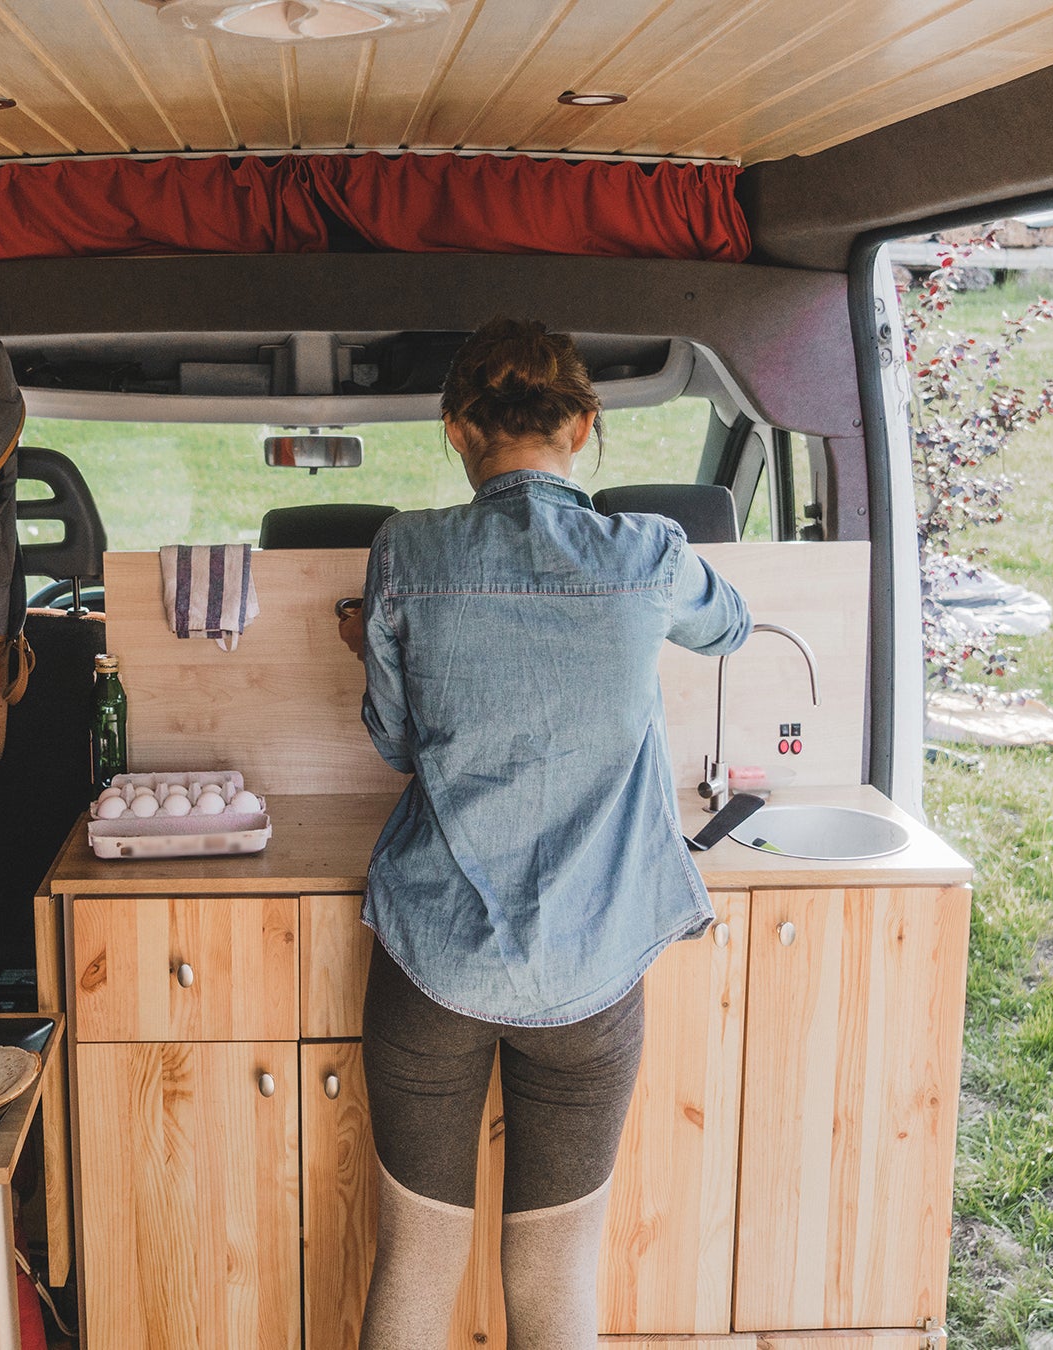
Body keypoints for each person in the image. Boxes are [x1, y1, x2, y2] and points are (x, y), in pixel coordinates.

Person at [337, 318, 752, 1350]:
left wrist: (371, 642)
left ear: (455, 431)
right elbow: (733, 626)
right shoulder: (647, 555)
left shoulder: (407, 554)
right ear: (585, 424)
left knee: (417, 1260)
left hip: (433, 966)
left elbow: (395, 740)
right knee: (556, 1273)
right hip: (591, 976)